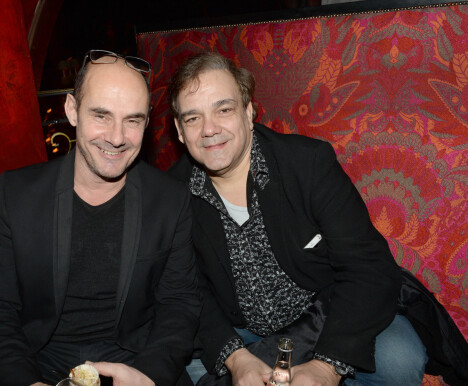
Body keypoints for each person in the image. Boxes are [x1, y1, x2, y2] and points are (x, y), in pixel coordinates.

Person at [167, 52, 429, 385]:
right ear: (179, 129)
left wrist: (327, 367)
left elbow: (368, 266)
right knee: (186, 372)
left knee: (398, 361)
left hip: (328, 315)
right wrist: (235, 360)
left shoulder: (308, 164)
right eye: (192, 118)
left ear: (248, 112)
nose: (209, 129)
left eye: (224, 109)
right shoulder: (173, 194)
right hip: (239, 331)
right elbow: (189, 290)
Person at [0, 49, 200, 386]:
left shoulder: (170, 199)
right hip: (36, 363)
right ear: (72, 110)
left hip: (134, 364)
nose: (117, 137)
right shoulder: (17, 193)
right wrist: (25, 381)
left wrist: (148, 377)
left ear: (147, 123)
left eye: (132, 120)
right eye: (102, 115)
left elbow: (179, 305)